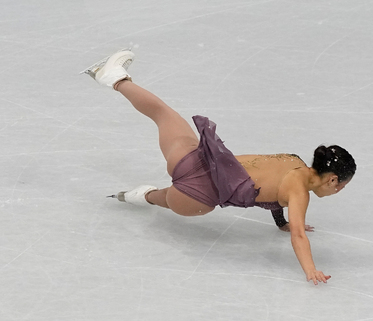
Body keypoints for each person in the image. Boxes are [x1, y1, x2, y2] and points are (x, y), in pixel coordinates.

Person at [82, 48, 356, 285]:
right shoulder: (300, 192)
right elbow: (298, 235)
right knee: (163, 197)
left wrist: (281, 221)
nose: (339, 191)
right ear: (332, 179)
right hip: (196, 197)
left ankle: (115, 78)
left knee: (163, 113)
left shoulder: (293, 161)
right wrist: (311, 270)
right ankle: (141, 196)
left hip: (191, 160)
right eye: (342, 186)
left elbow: (273, 192)